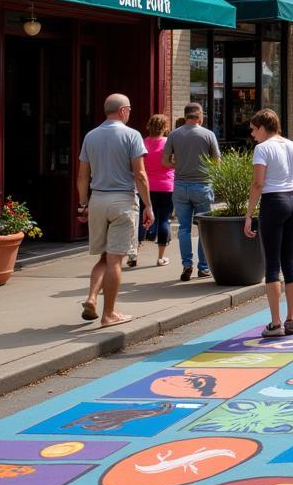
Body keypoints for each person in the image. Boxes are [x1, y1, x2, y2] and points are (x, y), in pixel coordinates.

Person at [244, 109, 293, 339]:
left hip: (273, 202)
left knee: (272, 266)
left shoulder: (262, 148)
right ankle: (291, 319)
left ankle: (275, 323)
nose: (252, 134)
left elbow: (258, 184)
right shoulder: (290, 144)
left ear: (261, 127)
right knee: (289, 263)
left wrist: (249, 214)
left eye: (253, 129)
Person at [77, 93, 153, 327]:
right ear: (122, 111)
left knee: (103, 256)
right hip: (122, 200)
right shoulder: (132, 135)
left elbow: (82, 176)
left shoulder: (91, 136)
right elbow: (140, 175)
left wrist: (83, 204)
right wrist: (149, 205)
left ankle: (91, 298)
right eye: (129, 109)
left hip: (98, 199)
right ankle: (109, 314)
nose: (130, 113)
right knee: (115, 260)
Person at [163, 102, 220, 281]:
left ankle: (187, 265)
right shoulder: (208, 135)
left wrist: (178, 165)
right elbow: (217, 161)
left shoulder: (174, 135)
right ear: (200, 116)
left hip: (180, 185)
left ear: (186, 115)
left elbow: (164, 161)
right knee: (203, 228)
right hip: (202, 184)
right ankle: (203, 268)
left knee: (184, 228)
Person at [136, 114, 173, 267]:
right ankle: (160, 257)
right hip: (167, 186)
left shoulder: (142, 143)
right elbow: (174, 162)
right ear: (165, 127)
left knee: (141, 220)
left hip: (146, 187)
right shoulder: (168, 143)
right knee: (164, 219)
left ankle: (134, 255)